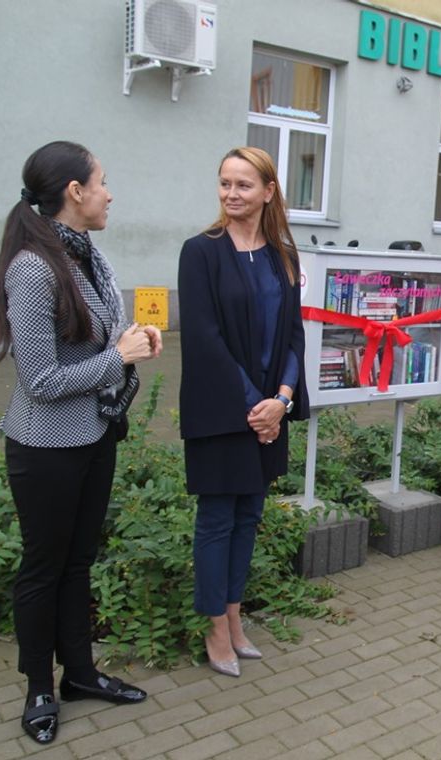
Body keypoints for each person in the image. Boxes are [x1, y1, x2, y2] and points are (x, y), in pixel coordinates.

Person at [0, 141, 160, 745]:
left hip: (95, 433)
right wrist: (116, 356)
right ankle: (38, 690)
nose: (110, 193)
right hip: (46, 446)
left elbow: (98, 338)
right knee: (43, 569)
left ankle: (79, 674)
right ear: (75, 193)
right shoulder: (32, 266)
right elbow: (42, 381)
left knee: (78, 564)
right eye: (102, 182)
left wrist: (129, 338)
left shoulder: (85, 254)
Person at [178, 146, 309, 677]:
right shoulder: (200, 251)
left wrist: (281, 399)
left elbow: (295, 336)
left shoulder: (284, 256)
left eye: (243, 185)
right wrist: (254, 404)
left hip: (269, 412)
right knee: (216, 519)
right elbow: (204, 339)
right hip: (222, 411)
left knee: (248, 518)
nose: (232, 194)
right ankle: (214, 628)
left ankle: (235, 618)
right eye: (224, 183)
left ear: (268, 192)